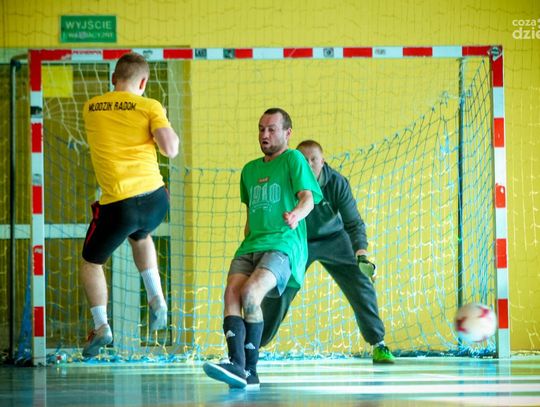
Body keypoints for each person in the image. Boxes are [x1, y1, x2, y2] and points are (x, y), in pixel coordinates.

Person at [203, 108, 322, 389]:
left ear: (287, 133)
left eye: (271, 129)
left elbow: (308, 198)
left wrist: (296, 215)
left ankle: (249, 368)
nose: (264, 134)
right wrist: (247, 241)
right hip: (251, 244)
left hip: (283, 243)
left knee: (250, 292)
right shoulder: (249, 170)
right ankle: (239, 368)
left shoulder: (293, 159)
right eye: (261, 129)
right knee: (231, 294)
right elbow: (250, 216)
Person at [80, 52, 180, 358]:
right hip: (156, 200)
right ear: (144, 82)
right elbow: (170, 149)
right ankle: (156, 297)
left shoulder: (91, 107)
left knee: (91, 262)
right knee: (141, 235)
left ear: (114, 79)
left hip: (120, 205)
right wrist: (161, 119)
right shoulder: (150, 106)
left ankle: (101, 326)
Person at [260, 140, 395, 364]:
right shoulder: (285, 182)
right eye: (303, 160)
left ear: (322, 162)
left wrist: (361, 254)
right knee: (278, 288)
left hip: (335, 239)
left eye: (313, 159)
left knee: (361, 283)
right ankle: (252, 346)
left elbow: (353, 222)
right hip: (297, 241)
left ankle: (378, 344)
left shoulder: (337, 183)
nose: (308, 164)